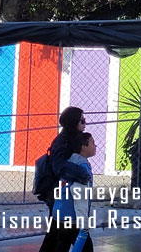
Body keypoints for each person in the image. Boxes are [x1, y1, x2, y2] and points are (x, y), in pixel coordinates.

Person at [39, 107, 89, 252]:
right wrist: (81, 174)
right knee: (64, 234)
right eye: (82, 120)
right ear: (74, 122)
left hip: (64, 195)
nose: (85, 123)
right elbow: (59, 166)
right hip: (59, 194)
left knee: (56, 236)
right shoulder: (64, 141)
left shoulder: (72, 138)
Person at [53, 132, 95, 252]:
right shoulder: (82, 169)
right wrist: (84, 224)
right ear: (83, 147)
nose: (95, 146)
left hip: (60, 214)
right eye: (92, 143)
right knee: (86, 248)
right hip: (73, 218)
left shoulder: (69, 162)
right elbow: (80, 197)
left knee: (62, 246)